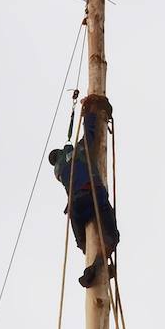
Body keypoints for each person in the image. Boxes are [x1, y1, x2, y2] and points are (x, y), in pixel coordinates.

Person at [49, 93, 119, 287]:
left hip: (75, 208)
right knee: (111, 236)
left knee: (84, 244)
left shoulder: (60, 172)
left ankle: (97, 265)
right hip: (92, 193)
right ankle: (97, 265)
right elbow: (89, 133)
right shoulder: (78, 152)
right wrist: (91, 110)